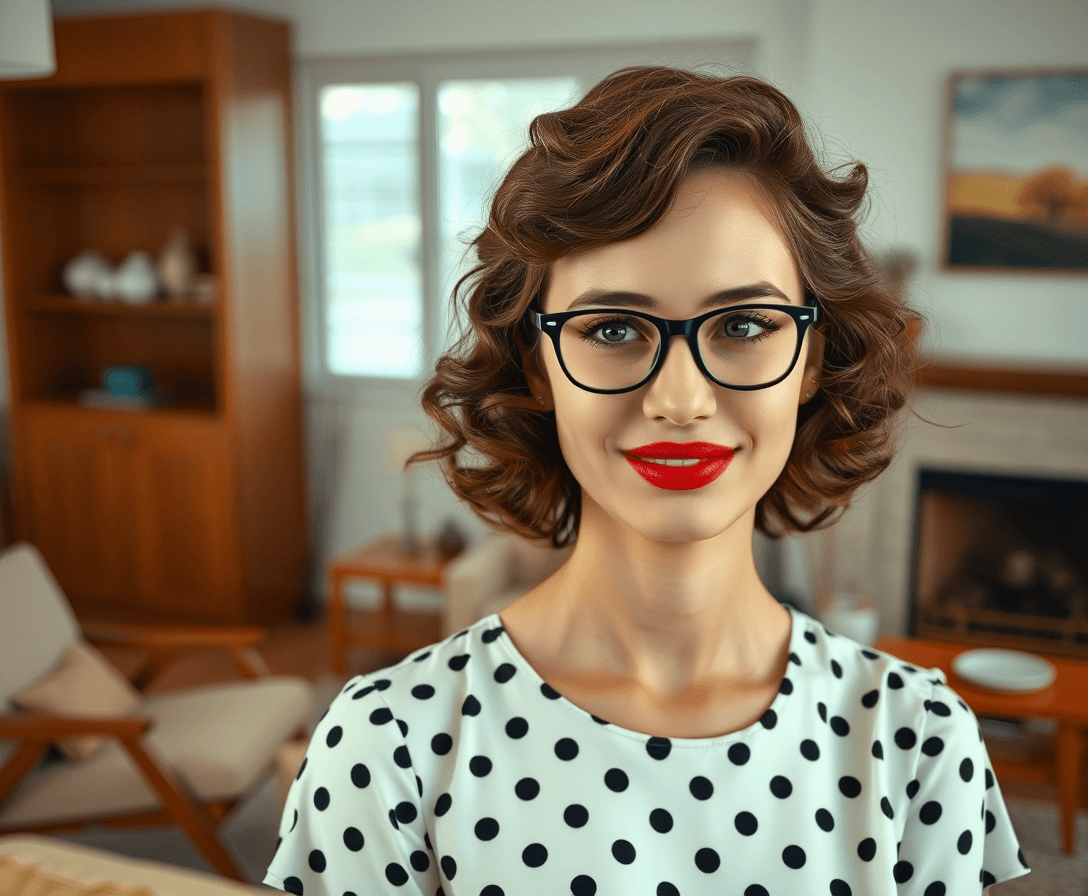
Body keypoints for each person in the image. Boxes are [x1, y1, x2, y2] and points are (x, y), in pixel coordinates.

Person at [265, 65, 1030, 896]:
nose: (679, 399)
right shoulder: (388, 748)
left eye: (744, 324)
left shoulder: (920, 740)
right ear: (541, 364)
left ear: (809, 359)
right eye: (614, 328)